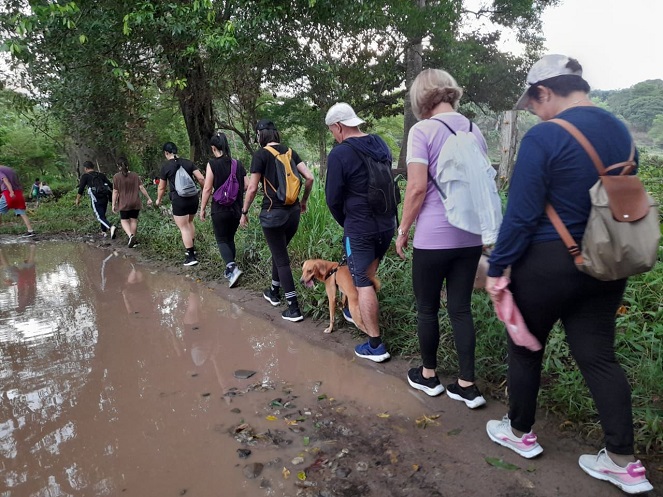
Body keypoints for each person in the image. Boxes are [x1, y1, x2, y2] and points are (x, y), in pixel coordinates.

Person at [484, 54, 653, 494]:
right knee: (599, 357)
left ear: (545, 91)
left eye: (533, 102)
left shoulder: (545, 136)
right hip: (605, 261)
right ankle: (622, 459)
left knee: (526, 348)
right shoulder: (621, 130)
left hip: (546, 264)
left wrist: (498, 268)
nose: (534, 111)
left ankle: (519, 433)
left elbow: (520, 216)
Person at [395, 69, 487, 407]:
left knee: (427, 308)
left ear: (421, 97)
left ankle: (429, 376)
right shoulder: (475, 130)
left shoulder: (422, 131)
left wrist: (403, 230)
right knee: (461, 308)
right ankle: (467, 385)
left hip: (434, 237)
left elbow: (417, 187)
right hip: (470, 236)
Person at [324, 103, 395, 362]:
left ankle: (375, 344)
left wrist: (348, 223)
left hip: (361, 228)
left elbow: (332, 199)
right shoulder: (380, 144)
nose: (334, 135)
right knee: (368, 275)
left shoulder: (340, 153)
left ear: (339, 126)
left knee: (363, 283)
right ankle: (360, 316)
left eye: (332, 130)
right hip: (387, 225)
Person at [240, 119, 314, 322]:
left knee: (282, 260)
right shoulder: (289, 151)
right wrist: (304, 201)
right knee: (278, 251)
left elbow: (253, 188)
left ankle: (293, 308)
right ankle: (273, 291)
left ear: (260, 135)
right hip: (293, 214)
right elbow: (309, 178)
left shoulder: (260, 154)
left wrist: (244, 211)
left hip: (273, 215)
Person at [199, 132, 247, 287]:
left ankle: (232, 268)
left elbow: (207, 188)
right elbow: (246, 185)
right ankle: (230, 268)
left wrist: (202, 208)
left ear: (213, 148)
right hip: (236, 209)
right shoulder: (237, 164)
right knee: (229, 238)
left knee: (221, 239)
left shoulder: (212, 164)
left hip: (219, 208)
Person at [155, 142, 205, 266]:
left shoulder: (166, 167)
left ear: (166, 153)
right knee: (190, 222)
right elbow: (201, 178)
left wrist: (158, 199)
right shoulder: (188, 162)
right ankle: (192, 250)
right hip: (193, 198)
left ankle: (191, 256)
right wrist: (205, 191)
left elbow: (161, 187)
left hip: (179, 200)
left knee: (183, 227)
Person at [112, 157, 153, 248]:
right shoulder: (135, 175)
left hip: (124, 203)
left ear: (118, 167)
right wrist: (148, 198)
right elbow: (141, 188)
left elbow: (115, 191)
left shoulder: (116, 177)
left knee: (124, 221)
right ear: (128, 165)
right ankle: (133, 240)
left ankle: (130, 236)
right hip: (135, 202)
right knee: (133, 220)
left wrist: (113, 204)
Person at [76, 161, 116, 239]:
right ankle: (104, 232)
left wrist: (78, 199)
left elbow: (81, 189)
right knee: (103, 214)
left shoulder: (85, 176)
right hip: (105, 197)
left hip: (95, 198)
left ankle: (111, 227)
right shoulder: (101, 175)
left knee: (99, 216)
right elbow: (111, 186)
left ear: (85, 168)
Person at [0, 165, 35, 237]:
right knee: (22, 213)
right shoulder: (9, 169)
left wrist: (11, 191)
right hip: (18, 193)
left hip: (9, 193)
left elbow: (6, 180)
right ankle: (30, 231)